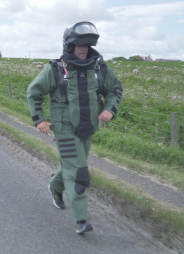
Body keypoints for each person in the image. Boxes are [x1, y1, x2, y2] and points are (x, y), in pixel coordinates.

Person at [27, 21, 122, 235]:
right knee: (79, 171)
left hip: (88, 127)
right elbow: (33, 91)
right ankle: (81, 220)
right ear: (69, 46)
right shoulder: (56, 69)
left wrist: (110, 109)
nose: (83, 49)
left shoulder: (99, 69)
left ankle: (55, 186)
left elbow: (115, 88)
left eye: (86, 46)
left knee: (73, 165)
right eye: (79, 46)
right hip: (64, 128)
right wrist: (39, 119)